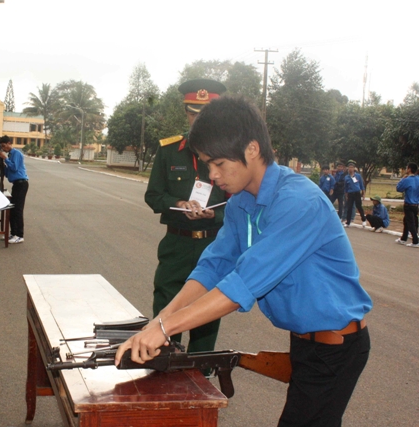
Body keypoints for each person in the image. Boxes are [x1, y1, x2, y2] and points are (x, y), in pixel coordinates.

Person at [116, 97, 372, 427]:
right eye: (207, 164)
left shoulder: (298, 202)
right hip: (305, 342)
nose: (212, 174)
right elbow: (213, 267)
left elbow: (241, 285)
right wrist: (161, 319)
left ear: (252, 149)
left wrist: (165, 328)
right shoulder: (240, 203)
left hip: (335, 348)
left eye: (219, 163)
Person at [144, 78, 227, 354]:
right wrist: (179, 203)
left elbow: (239, 201)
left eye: (205, 115)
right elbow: (153, 195)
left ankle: (202, 375)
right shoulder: (169, 150)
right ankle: (166, 368)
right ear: (186, 113)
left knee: (206, 315)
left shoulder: (229, 155)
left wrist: (212, 215)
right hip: (176, 244)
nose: (198, 120)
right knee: (166, 306)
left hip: (212, 245)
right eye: (193, 113)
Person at [0, 135, 28, 243]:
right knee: (12, 209)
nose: (4, 148)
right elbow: (8, 172)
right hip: (16, 184)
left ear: (9, 143)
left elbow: (14, 168)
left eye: (4, 146)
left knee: (18, 210)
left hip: (21, 183)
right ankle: (13, 233)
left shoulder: (16, 154)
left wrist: (5, 158)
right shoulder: (10, 155)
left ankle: (19, 235)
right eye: (2, 146)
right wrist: (2, 166)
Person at [395, 162, 419, 247]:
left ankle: (415, 241)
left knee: (410, 223)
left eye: (406, 168)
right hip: (416, 205)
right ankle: (403, 238)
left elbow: (398, 188)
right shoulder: (418, 179)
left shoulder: (407, 179)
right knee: (407, 221)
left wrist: (402, 179)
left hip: (408, 204)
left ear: (409, 169)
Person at [343, 160, 366, 228]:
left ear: (354, 168)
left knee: (359, 206)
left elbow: (361, 185)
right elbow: (346, 187)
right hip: (350, 194)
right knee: (349, 207)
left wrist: (363, 193)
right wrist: (346, 195)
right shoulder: (346, 177)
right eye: (349, 167)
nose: (350, 169)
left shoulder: (358, 176)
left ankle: (364, 220)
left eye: (352, 167)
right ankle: (348, 222)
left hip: (357, 193)